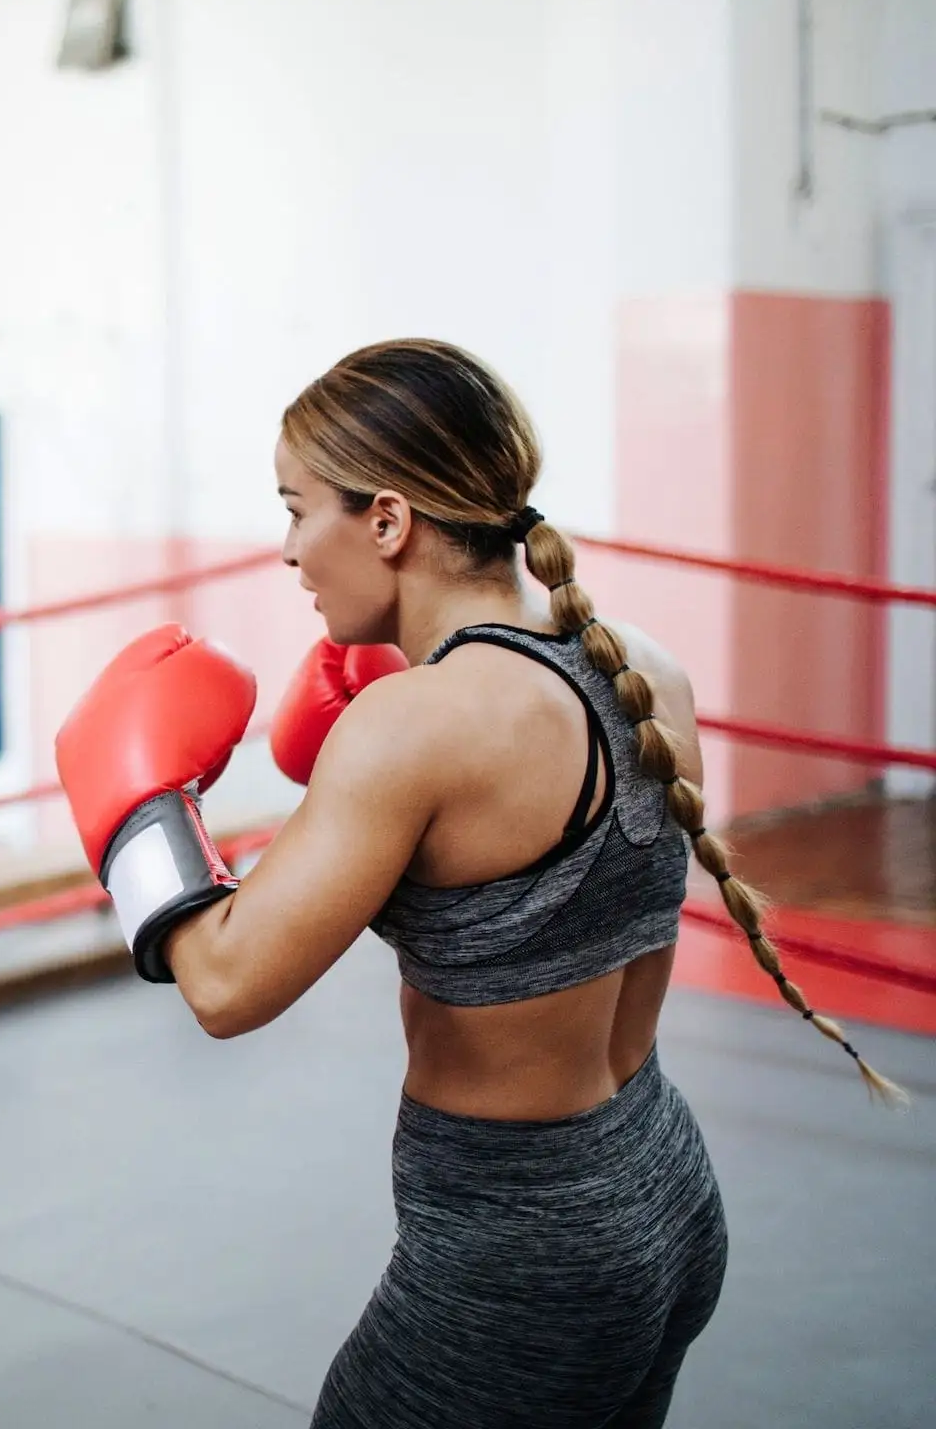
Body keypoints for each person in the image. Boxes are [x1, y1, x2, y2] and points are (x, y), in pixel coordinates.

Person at [54, 339, 905, 1428]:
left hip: (519, 1256)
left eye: (298, 508)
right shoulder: (640, 666)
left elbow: (225, 985)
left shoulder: (415, 726)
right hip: (664, 1192)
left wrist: (140, 816)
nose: (287, 549)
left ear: (389, 520)